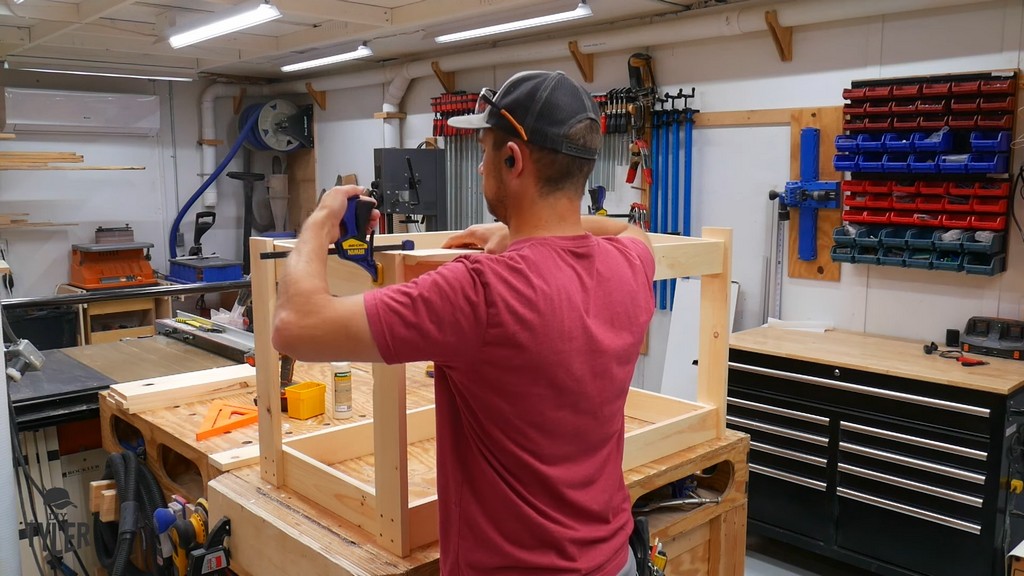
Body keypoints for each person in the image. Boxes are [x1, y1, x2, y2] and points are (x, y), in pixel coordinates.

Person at [273, 70, 655, 575]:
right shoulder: (629, 267)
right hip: (612, 560)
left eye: (483, 152)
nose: (477, 168)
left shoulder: (481, 290)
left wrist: (318, 222)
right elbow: (630, 229)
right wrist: (518, 231)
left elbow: (295, 325)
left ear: (512, 160)